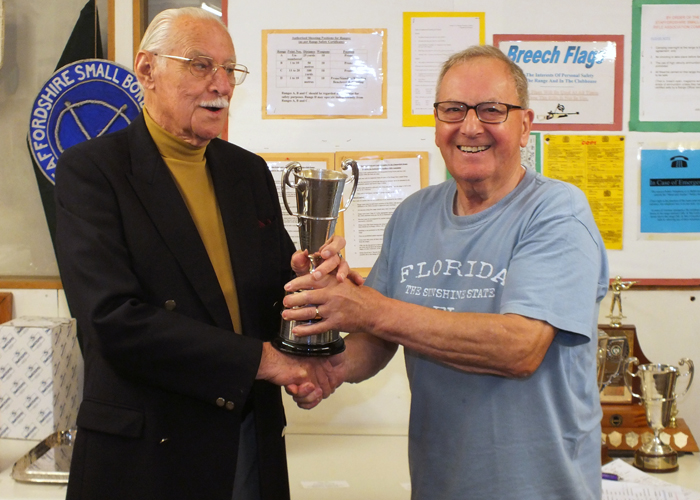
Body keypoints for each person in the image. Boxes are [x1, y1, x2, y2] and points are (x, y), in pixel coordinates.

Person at [283, 45, 609, 500]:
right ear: (437, 124)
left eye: (492, 110)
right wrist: (326, 358)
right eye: (453, 109)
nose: (470, 126)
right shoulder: (413, 214)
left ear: (525, 126)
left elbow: (520, 348)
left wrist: (370, 310)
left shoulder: (557, 212)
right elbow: (375, 342)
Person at [54, 7, 345, 500]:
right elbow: (112, 319)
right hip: (146, 455)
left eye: (230, 69)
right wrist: (265, 362)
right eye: (200, 65)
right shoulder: (93, 171)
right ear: (147, 70)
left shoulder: (247, 173)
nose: (222, 85)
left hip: (247, 442)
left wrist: (309, 285)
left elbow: (272, 299)